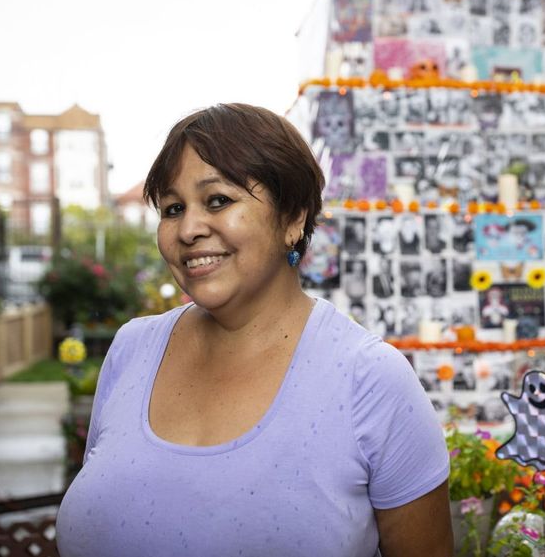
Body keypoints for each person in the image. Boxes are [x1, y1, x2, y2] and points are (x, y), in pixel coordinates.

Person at [56, 105, 452, 556]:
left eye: (218, 200)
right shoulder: (132, 349)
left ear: (293, 218)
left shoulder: (369, 379)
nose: (188, 229)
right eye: (172, 208)